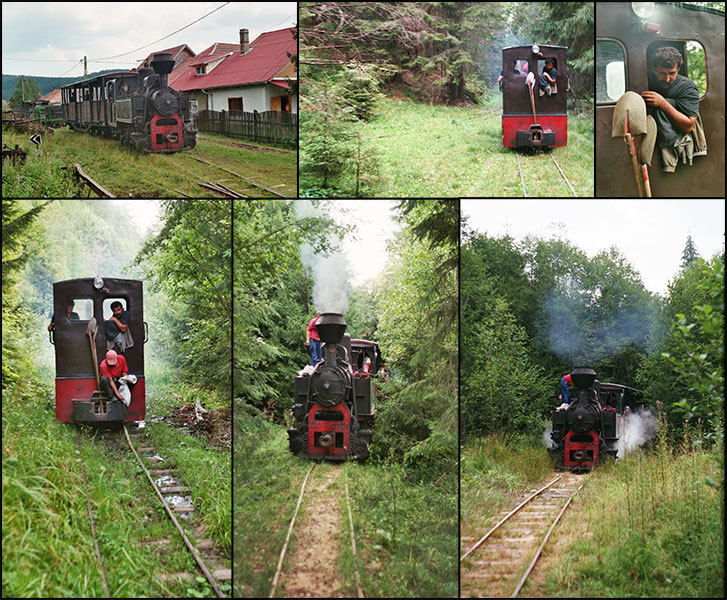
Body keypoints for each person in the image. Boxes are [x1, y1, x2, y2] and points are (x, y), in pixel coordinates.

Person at [642, 45, 705, 170]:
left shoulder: (687, 88)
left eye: (672, 73)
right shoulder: (645, 79)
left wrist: (663, 103)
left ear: (678, 70)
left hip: (678, 137)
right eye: (662, 73)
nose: (666, 79)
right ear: (654, 69)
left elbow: (688, 125)